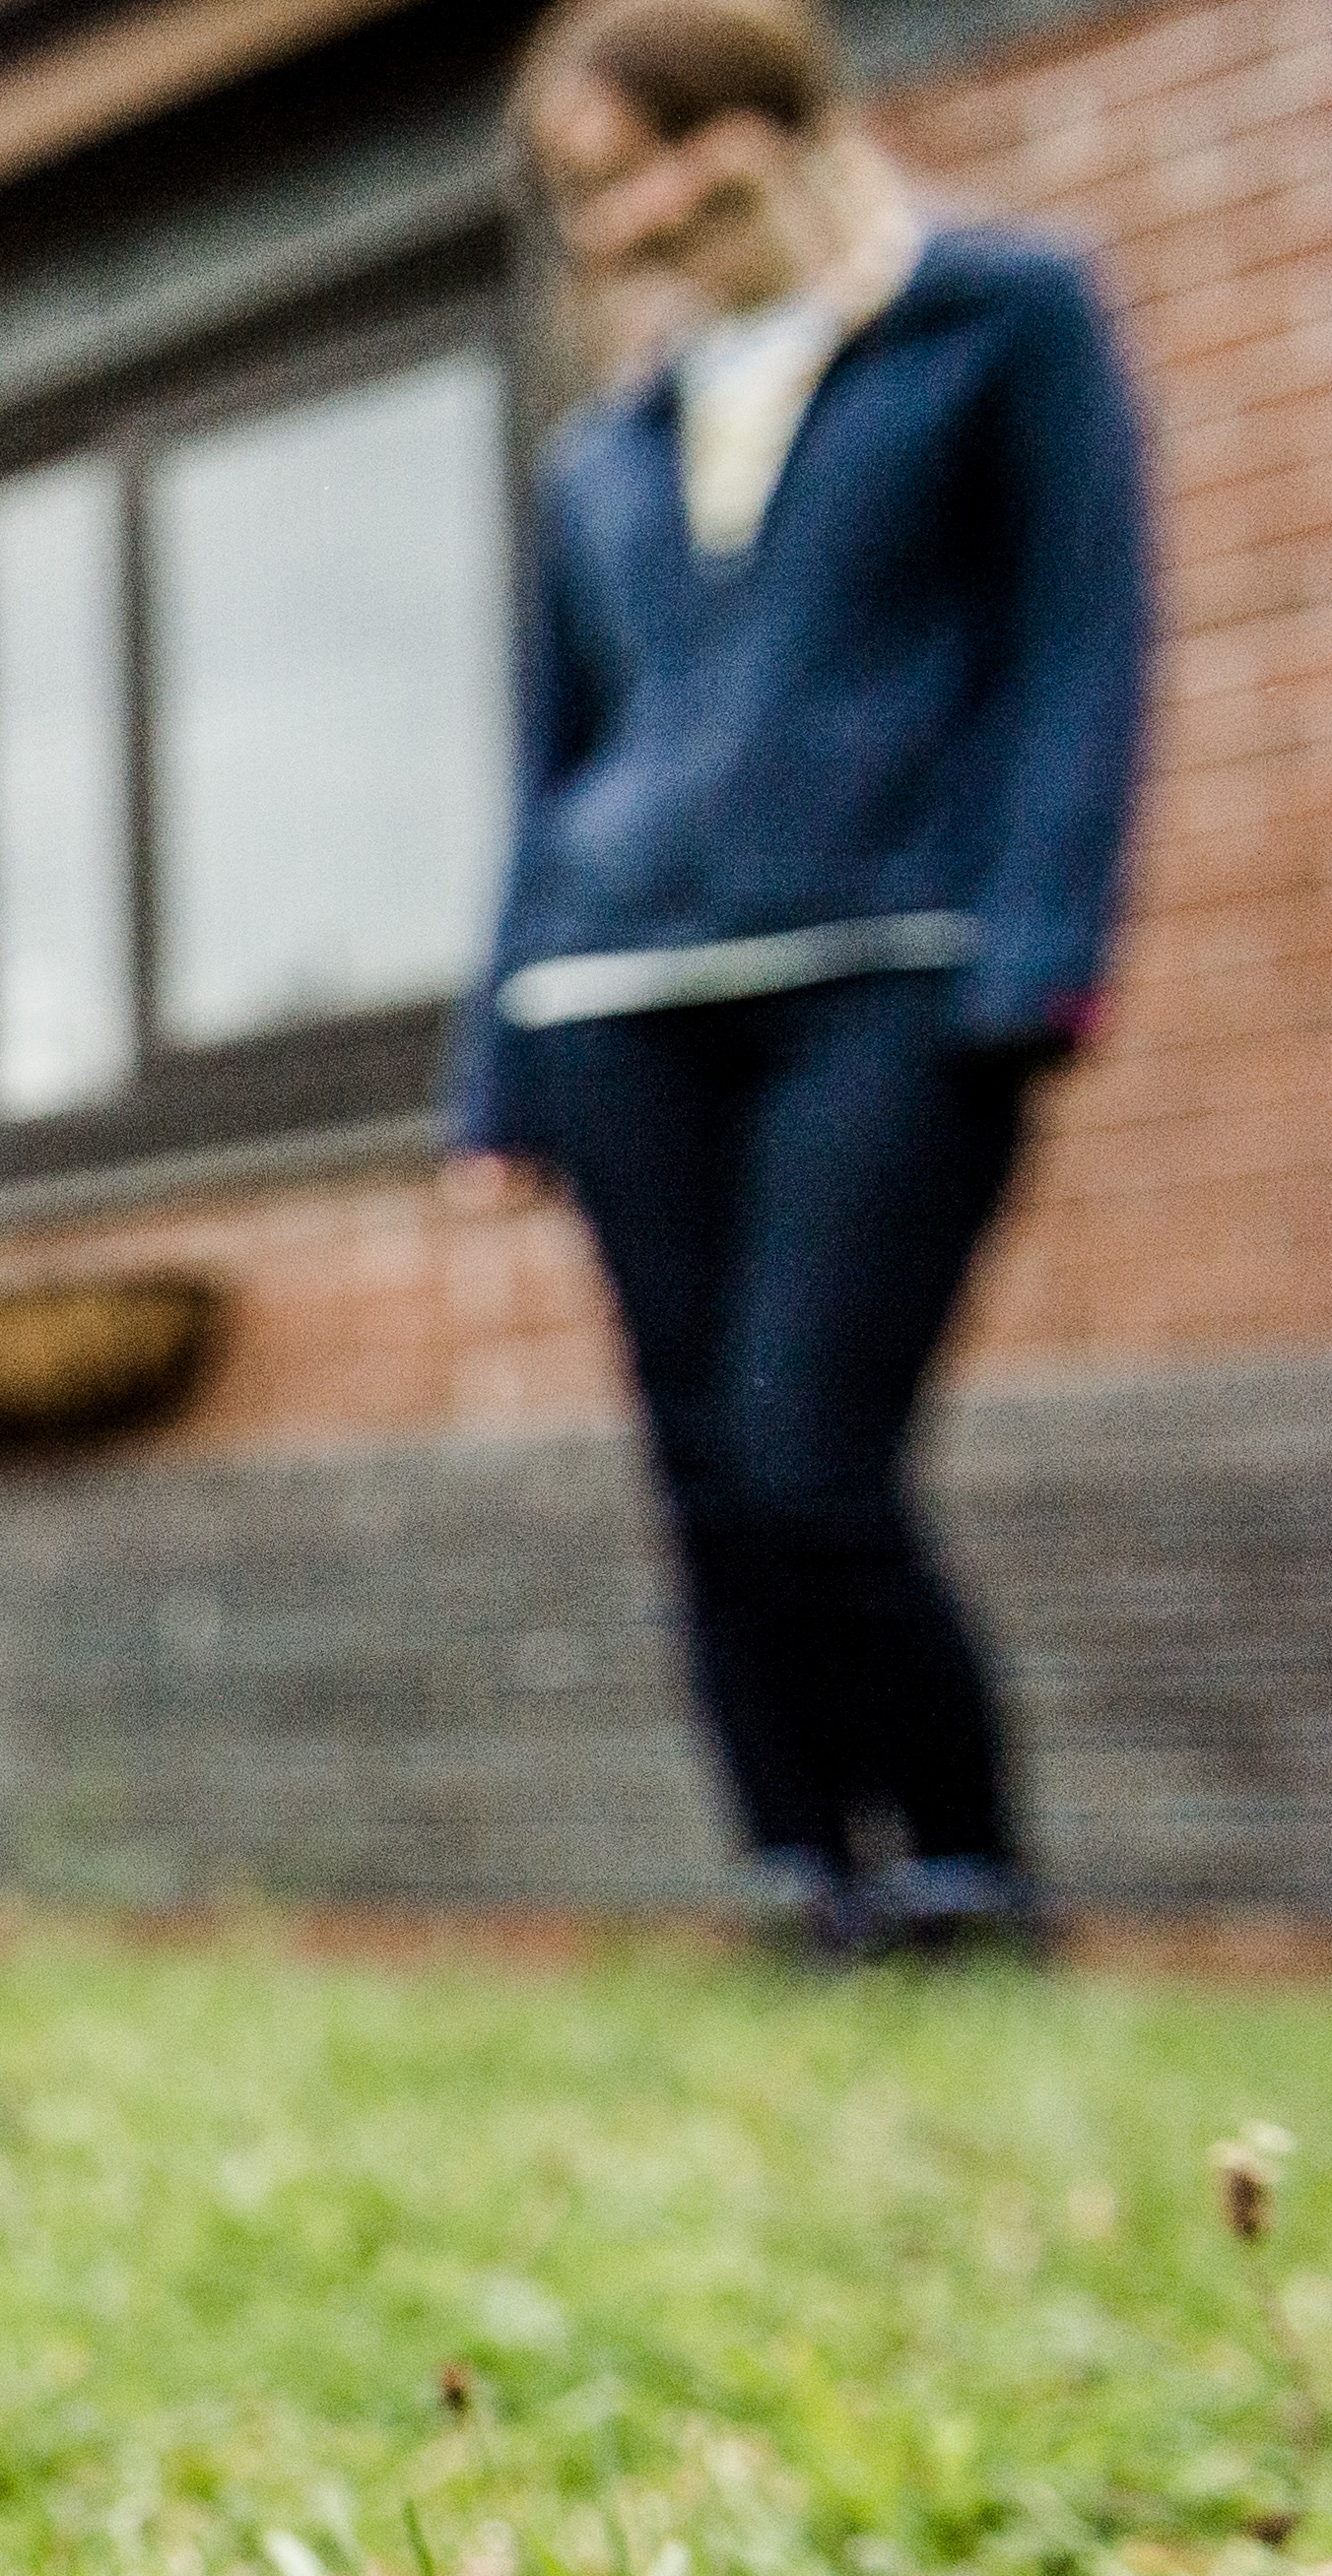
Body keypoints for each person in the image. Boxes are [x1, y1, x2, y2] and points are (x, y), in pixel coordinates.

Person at [449, 0, 1151, 1961]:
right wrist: (490, 1071)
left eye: (660, 154)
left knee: (808, 1443)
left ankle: (962, 1861)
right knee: (696, 1459)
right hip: (616, 995)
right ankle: (798, 1870)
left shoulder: (999, 320)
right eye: (590, 191)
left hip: (890, 964)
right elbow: (548, 775)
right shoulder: (607, 449)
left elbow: (1080, 650)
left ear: (773, 116)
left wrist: (1043, 952)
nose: (641, 211)